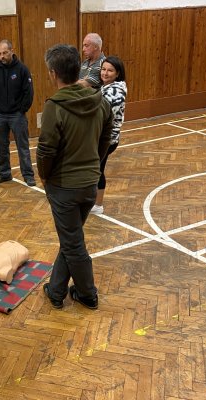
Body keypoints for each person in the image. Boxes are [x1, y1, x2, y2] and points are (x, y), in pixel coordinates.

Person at [36, 44, 112, 309]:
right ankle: (56, 291)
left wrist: (44, 177)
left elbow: (46, 150)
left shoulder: (55, 107)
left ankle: (88, 294)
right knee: (72, 238)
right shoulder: (101, 101)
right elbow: (106, 139)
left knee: (73, 243)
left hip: (64, 187)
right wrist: (95, 164)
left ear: (53, 73)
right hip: (89, 184)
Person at [0, 39, 36, 187]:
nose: (2, 56)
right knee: (1, 146)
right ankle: (4, 174)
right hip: (0, 115)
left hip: (17, 115)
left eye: (5, 53)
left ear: (11, 51)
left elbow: (29, 92)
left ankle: (28, 175)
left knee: (23, 146)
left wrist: (21, 110)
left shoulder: (22, 69)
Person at [91, 56, 127, 215]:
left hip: (106, 140)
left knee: (97, 169)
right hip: (101, 138)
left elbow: (101, 116)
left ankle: (98, 205)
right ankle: (94, 201)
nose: (105, 73)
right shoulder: (106, 87)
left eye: (110, 70)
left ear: (117, 73)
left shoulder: (115, 92)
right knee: (96, 168)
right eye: (103, 69)